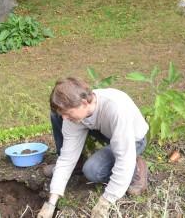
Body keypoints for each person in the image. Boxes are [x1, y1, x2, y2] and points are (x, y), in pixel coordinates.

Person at [38, 77, 149, 218]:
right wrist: (51, 202)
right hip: (107, 132)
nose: (64, 118)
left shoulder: (115, 109)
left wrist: (107, 200)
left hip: (133, 139)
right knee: (56, 116)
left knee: (93, 170)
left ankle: (137, 167)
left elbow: (123, 158)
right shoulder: (77, 112)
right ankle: (79, 164)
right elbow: (67, 158)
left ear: (84, 103)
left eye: (68, 113)